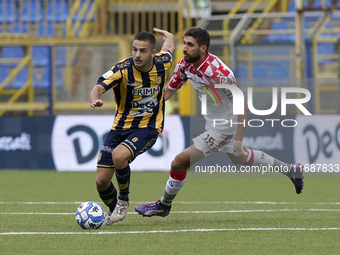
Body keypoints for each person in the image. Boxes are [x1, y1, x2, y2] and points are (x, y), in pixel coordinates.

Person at [134, 27, 304, 217]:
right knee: (239, 157)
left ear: (203, 48)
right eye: (184, 44)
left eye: (190, 45)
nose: (185, 49)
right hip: (213, 122)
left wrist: (238, 140)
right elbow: (167, 92)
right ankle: (291, 170)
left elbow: (244, 106)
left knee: (179, 163)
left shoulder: (218, 73)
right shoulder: (185, 64)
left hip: (226, 126)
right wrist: (145, 104)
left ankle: (163, 205)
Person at [90, 28, 175, 225]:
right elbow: (99, 86)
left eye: (143, 51)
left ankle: (123, 200)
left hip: (148, 128)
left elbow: (169, 48)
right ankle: (114, 213)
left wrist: (170, 37)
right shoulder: (122, 69)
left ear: (153, 53)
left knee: (119, 155)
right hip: (119, 129)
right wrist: (95, 99)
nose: (137, 54)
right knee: (101, 182)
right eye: (134, 49)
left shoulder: (163, 64)